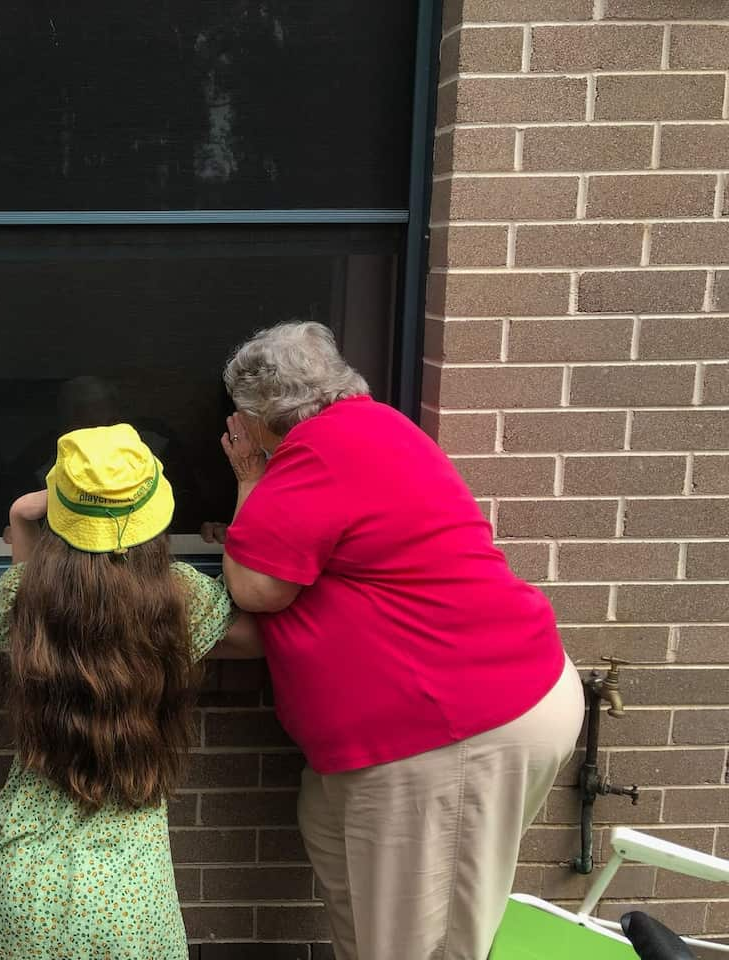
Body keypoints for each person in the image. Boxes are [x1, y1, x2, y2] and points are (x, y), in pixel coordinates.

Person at [210, 320, 583, 960]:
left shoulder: (320, 451)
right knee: (361, 892)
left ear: (263, 415)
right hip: (437, 721)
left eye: (241, 418)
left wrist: (248, 474)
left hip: (456, 727)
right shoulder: (369, 425)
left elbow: (257, 589)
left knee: (424, 942)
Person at [0, 423, 260, 960]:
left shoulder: (25, 601)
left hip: (26, 882)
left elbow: (27, 564)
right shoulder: (177, 602)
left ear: (60, 508)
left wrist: (20, 513)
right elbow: (255, 622)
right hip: (131, 894)